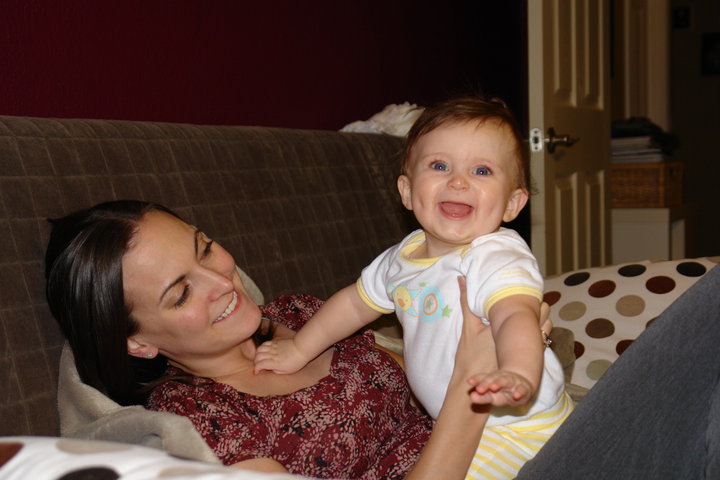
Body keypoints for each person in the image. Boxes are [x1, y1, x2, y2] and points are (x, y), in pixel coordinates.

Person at [44, 199, 552, 480]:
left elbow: (422, 378)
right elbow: (457, 388)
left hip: (511, 449)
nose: (223, 281)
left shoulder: (300, 313)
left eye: (205, 249)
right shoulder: (200, 422)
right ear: (136, 343)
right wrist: (471, 392)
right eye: (181, 293)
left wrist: (513, 342)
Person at [254, 97, 574, 479]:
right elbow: (354, 304)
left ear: (512, 203)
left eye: (482, 170)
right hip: (461, 421)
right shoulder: (401, 258)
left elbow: (515, 315)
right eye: (439, 165)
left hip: (512, 426)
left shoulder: (493, 255)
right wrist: (298, 349)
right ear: (406, 191)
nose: (458, 181)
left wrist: (519, 373)